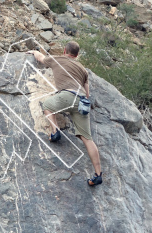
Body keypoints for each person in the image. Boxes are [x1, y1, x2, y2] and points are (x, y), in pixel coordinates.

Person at [28, 41, 103, 186]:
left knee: (47, 105)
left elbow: (41, 58)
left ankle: (55, 132)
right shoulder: (83, 69)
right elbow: (87, 93)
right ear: (77, 55)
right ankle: (98, 174)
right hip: (82, 102)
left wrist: (33, 52)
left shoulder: (58, 59)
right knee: (87, 138)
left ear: (64, 51)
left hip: (67, 96)